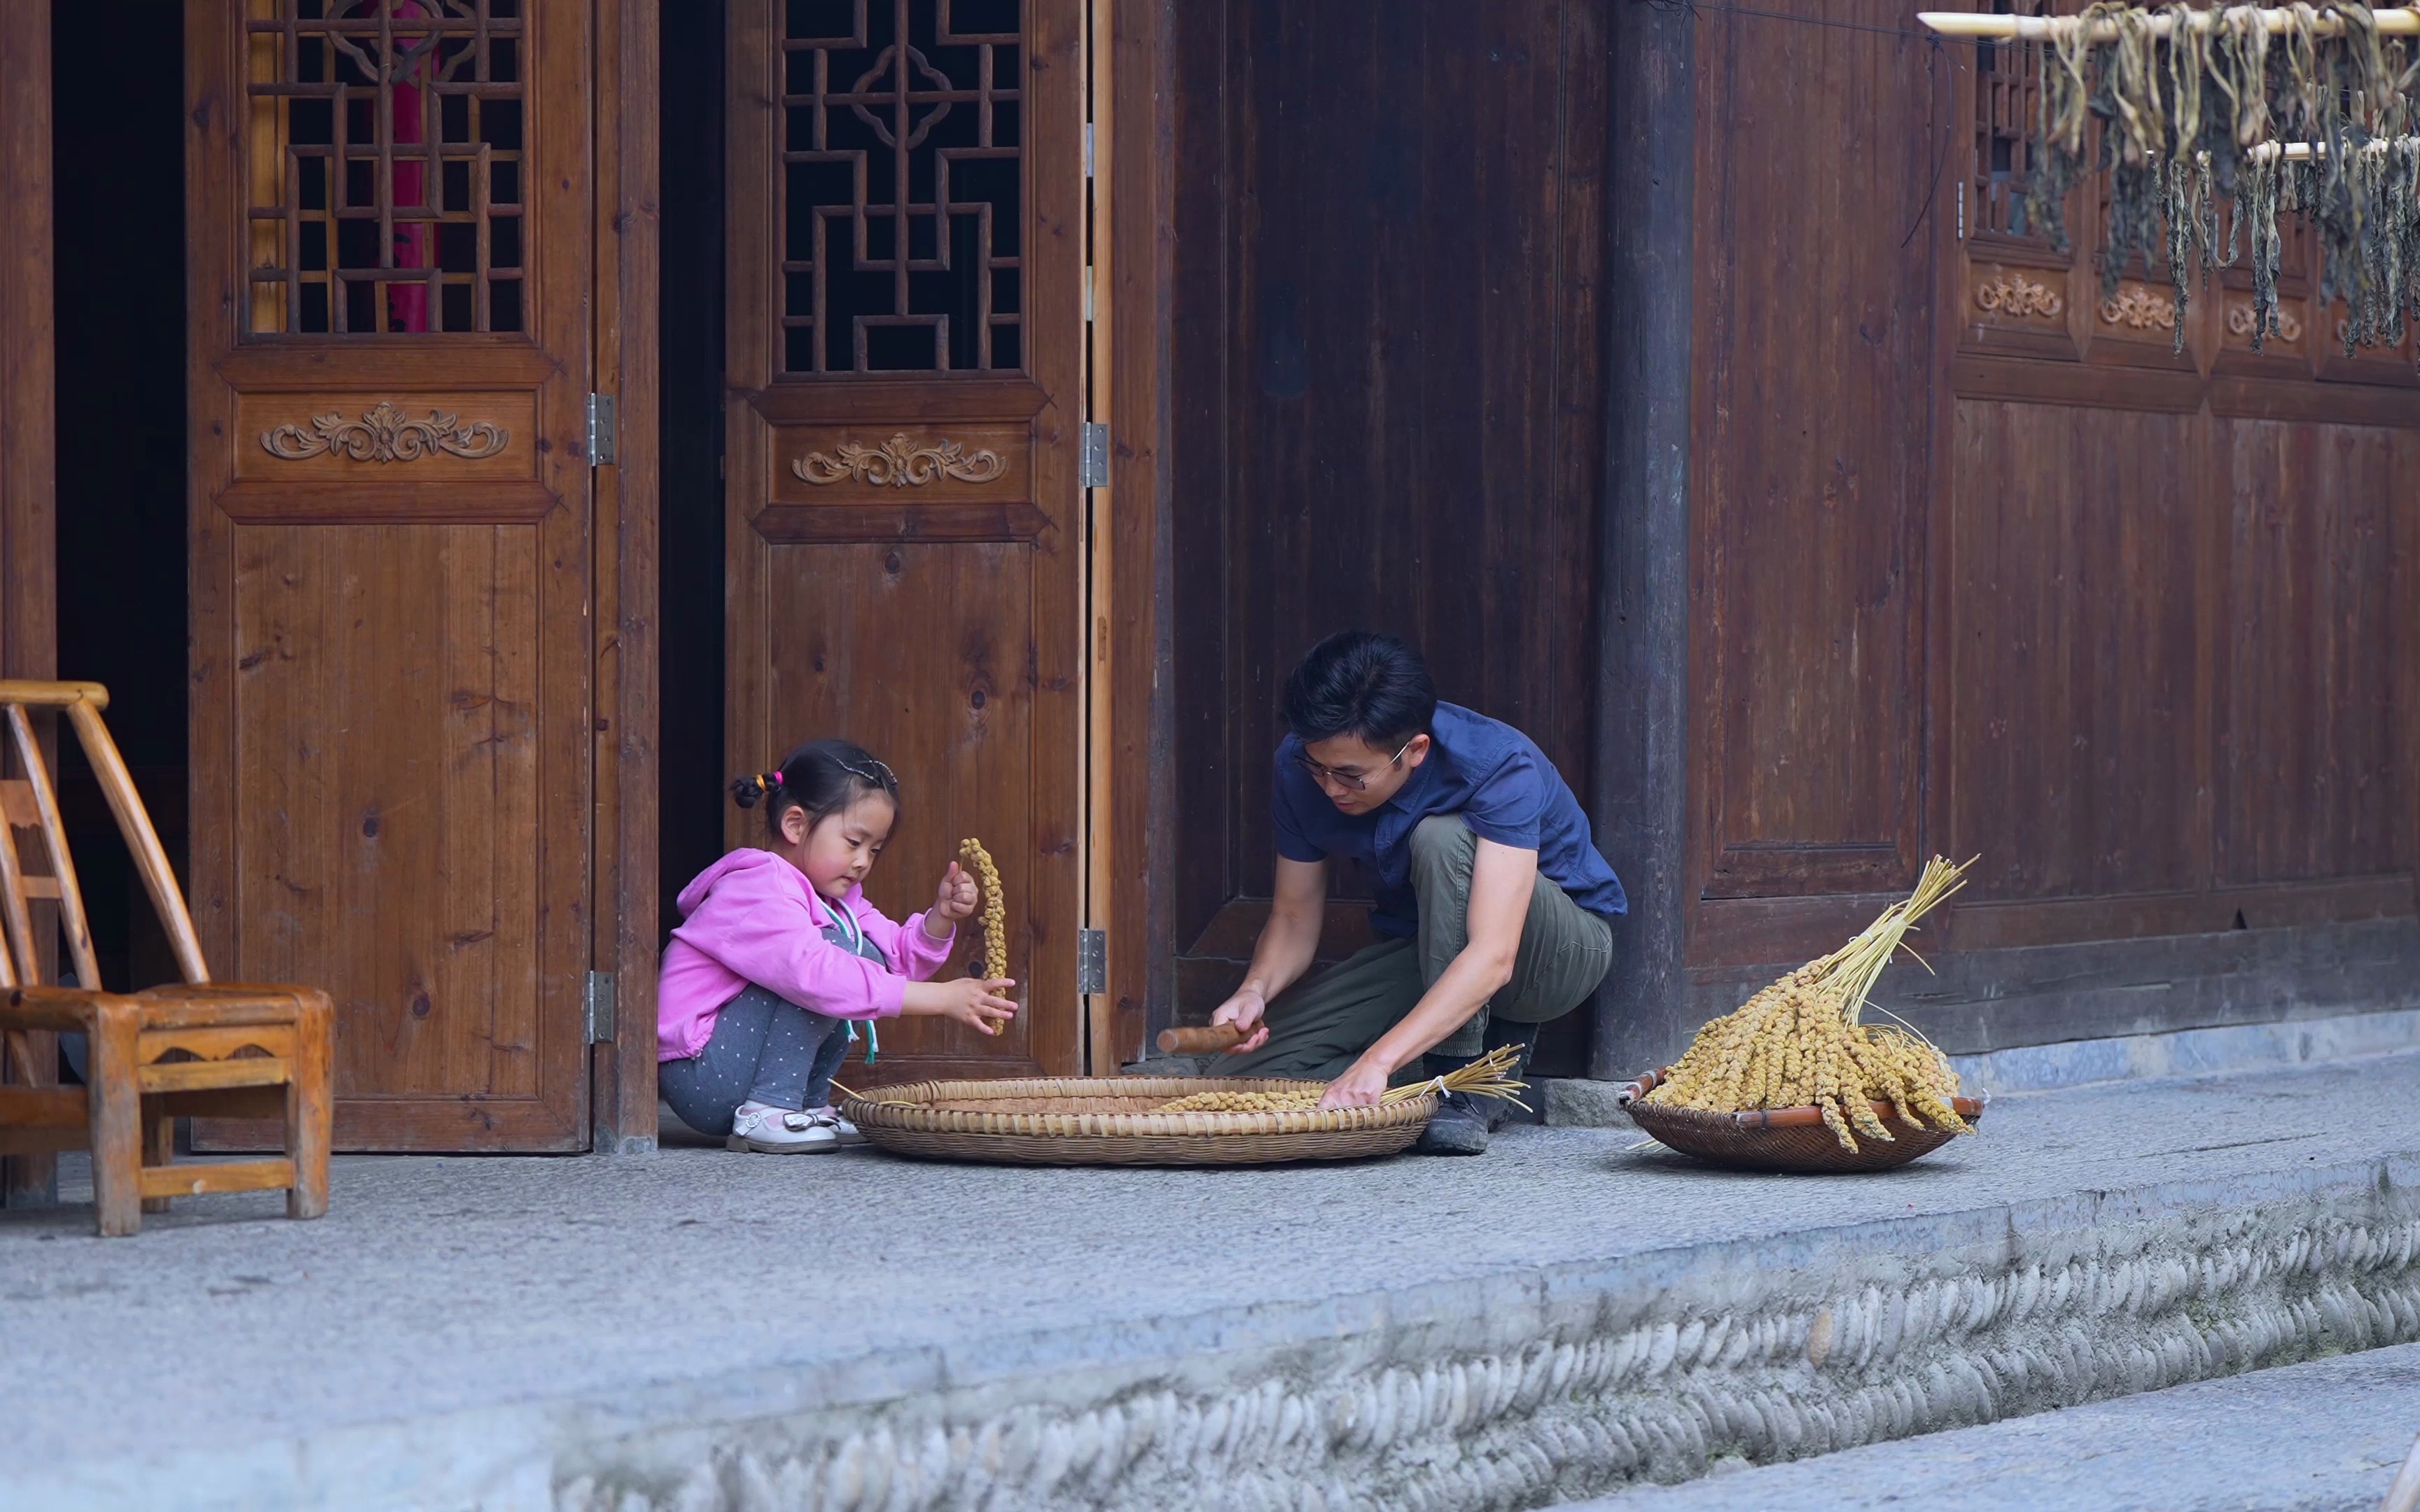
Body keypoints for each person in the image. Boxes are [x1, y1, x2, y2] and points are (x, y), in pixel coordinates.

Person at [1211, 631, 1625, 1154]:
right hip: (1427, 950)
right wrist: (1254, 990)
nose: (1330, 787)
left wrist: (1378, 1059)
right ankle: (1470, 1071)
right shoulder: (1303, 766)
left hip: (1552, 954)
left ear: (1415, 751)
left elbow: (1495, 954)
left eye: (1350, 775)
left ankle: (1459, 1078)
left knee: (1444, 837)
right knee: (1238, 1074)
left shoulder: (1497, 765)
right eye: (1317, 767)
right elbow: (1293, 918)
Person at [656, 738, 1017, 1152]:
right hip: (701, 1074)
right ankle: (771, 1108)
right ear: (795, 825)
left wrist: (941, 917)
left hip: (733, 1066)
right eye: (853, 843)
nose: (863, 861)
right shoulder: (757, 887)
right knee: (834, 962)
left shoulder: (834, 901)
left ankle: (803, 1106)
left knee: (860, 952)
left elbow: (895, 960)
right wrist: (941, 999)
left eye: (875, 849)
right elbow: (814, 974)